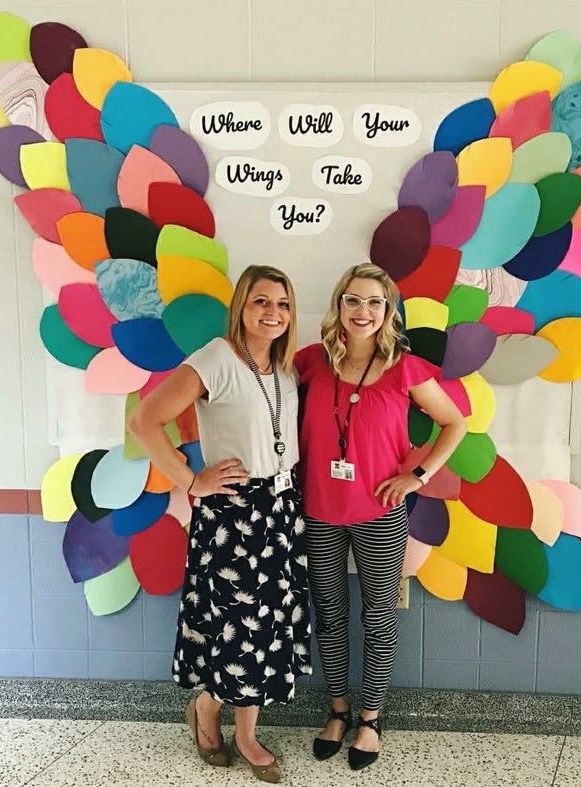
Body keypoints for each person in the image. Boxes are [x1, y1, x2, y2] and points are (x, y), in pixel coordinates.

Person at [129, 264, 311, 784]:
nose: (272, 312)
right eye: (260, 301)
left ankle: (248, 734)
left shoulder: (283, 368)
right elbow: (144, 420)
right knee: (235, 630)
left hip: (280, 511)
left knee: (269, 630)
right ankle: (208, 707)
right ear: (241, 307)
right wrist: (190, 480)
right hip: (234, 513)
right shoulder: (217, 356)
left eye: (282, 303)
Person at [295, 262, 467, 771]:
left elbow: (454, 422)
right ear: (339, 306)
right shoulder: (311, 361)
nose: (363, 311)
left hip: (380, 514)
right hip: (320, 512)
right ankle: (337, 710)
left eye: (374, 302)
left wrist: (418, 476)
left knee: (378, 616)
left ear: (387, 310)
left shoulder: (404, 367)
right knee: (328, 614)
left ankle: (370, 718)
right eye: (353, 300)